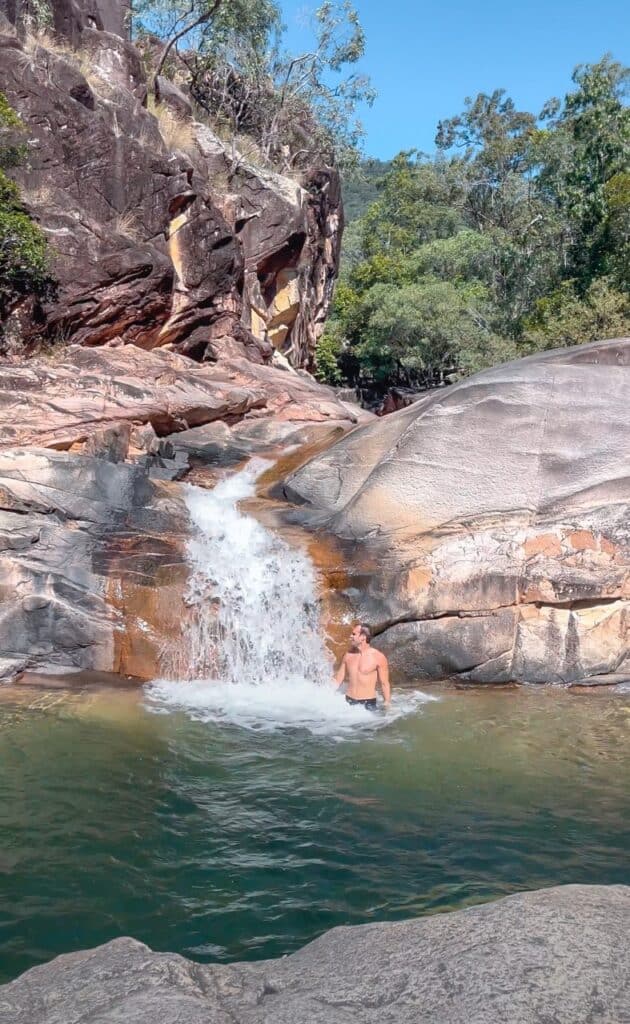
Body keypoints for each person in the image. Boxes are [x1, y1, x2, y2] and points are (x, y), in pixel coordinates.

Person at [333, 623, 391, 710]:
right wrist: (327, 692)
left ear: (363, 637)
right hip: (348, 701)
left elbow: (384, 683)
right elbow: (339, 678)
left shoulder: (378, 657)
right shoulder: (348, 655)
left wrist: (387, 703)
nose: (350, 636)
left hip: (367, 704)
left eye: (354, 634)